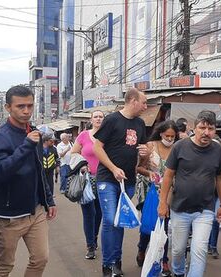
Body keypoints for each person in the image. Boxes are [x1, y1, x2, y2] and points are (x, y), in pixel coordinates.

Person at [0, 85, 57, 277]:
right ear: (8, 107)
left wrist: (48, 200)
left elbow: (39, 171)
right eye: (20, 106)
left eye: (30, 105)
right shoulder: (1, 137)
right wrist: (26, 145)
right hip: (8, 217)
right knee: (4, 266)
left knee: (40, 259)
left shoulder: (34, 133)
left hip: (35, 211)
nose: (26, 111)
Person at [158, 110, 221, 277]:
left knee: (200, 249)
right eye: (202, 127)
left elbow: (220, 178)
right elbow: (168, 175)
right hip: (179, 208)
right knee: (177, 250)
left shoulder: (218, 150)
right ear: (194, 128)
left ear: (215, 130)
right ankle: (179, 272)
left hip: (205, 209)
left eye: (210, 128)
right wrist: (162, 202)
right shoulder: (180, 147)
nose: (206, 132)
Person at [93, 88, 149, 277]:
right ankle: (107, 265)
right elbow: (97, 148)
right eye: (144, 102)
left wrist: (145, 155)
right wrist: (113, 168)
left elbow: (141, 156)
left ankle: (116, 262)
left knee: (120, 222)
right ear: (133, 101)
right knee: (110, 220)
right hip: (107, 180)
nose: (146, 106)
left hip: (129, 182)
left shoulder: (141, 124)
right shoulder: (112, 120)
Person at [135, 120, 178, 276]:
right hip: (149, 191)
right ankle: (142, 248)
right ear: (161, 133)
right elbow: (139, 168)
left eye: (173, 136)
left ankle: (163, 259)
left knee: (164, 227)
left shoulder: (177, 148)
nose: (170, 138)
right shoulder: (150, 146)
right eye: (167, 135)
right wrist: (150, 173)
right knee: (149, 224)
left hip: (169, 193)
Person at [71, 110, 105, 260]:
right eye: (95, 116)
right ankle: (90, 245)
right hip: (86, 180)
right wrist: (82, 165)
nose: (98, 119)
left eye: (101, 116)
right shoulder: (83, 135)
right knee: (88, 213)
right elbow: (73, 153)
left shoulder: (108, 135)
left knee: (99, 212)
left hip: (104, 179)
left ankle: (94, 236)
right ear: (91, 119)